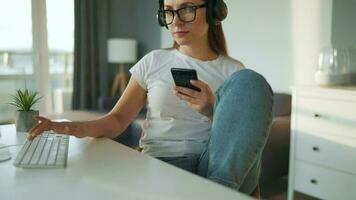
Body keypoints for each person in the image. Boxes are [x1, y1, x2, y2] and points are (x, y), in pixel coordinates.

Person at [29, 0, 273, 196]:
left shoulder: (233, 71)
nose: (175, 21)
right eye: (168, 12)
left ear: (213, 12)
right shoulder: (154, 61)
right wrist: (75, 127)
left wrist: (211, 111)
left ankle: (216, 191)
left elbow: (242, 139)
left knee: (252, 81)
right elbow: (116, 120)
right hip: (166, 160)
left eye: (186, 9)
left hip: (217, 162)